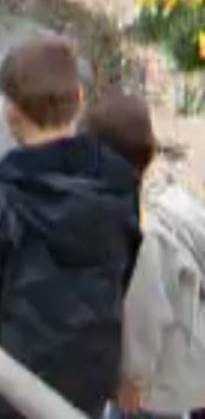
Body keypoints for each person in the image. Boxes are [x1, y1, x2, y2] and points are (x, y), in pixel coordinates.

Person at [0, 37, 142, 419]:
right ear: (80, 100)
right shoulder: (119, 184)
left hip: (7, 392)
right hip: (87, 387)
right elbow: (122, 278)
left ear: (10, 112)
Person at [83, 95, 205, 419]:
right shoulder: (172, 195)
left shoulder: (143, 234)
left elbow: (145, 314)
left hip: (168, 372)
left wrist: (132, 379)